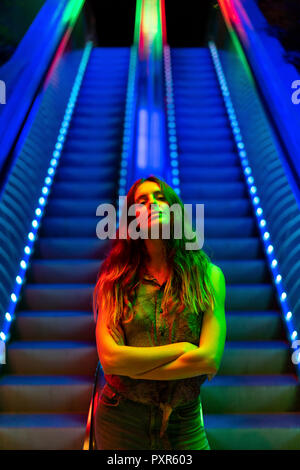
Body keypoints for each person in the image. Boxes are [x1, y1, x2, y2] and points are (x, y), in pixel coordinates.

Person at [93, 175, 226, 450]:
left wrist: (134, 369)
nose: (153, 204)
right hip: (121, 420)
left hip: (184, 421)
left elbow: (210, 359)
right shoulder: (113, 280)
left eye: (160, 198)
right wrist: (183, 349)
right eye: (142, 201)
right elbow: (110, 360)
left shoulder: (209, 277)